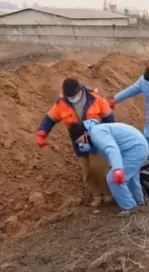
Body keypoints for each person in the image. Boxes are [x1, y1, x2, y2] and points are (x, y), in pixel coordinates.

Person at [36, 78, 115, 207]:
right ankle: (95, 197)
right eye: (70, 96)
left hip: (97, 140)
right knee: (87, 172)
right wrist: (42, 133)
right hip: (79, 142)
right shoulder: (61, 103)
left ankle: (107, 194)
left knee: (99, 169)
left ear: (80, 90)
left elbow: (109, 118)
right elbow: (50, 119)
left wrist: (111, 135)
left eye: (75, 95)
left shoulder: (96, 99)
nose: (73, 98)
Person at [69, 120, 149, 216]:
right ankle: (139, 202)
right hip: (135, 147)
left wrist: (117, 168)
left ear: (85, 134)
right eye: (78, 143)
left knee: (112, 179)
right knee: (131, 177)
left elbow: (112, 149)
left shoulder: (96, 133)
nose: (81, 144)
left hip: (135, 149)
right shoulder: (94, 133)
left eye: (80, 140)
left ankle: (129, 207)